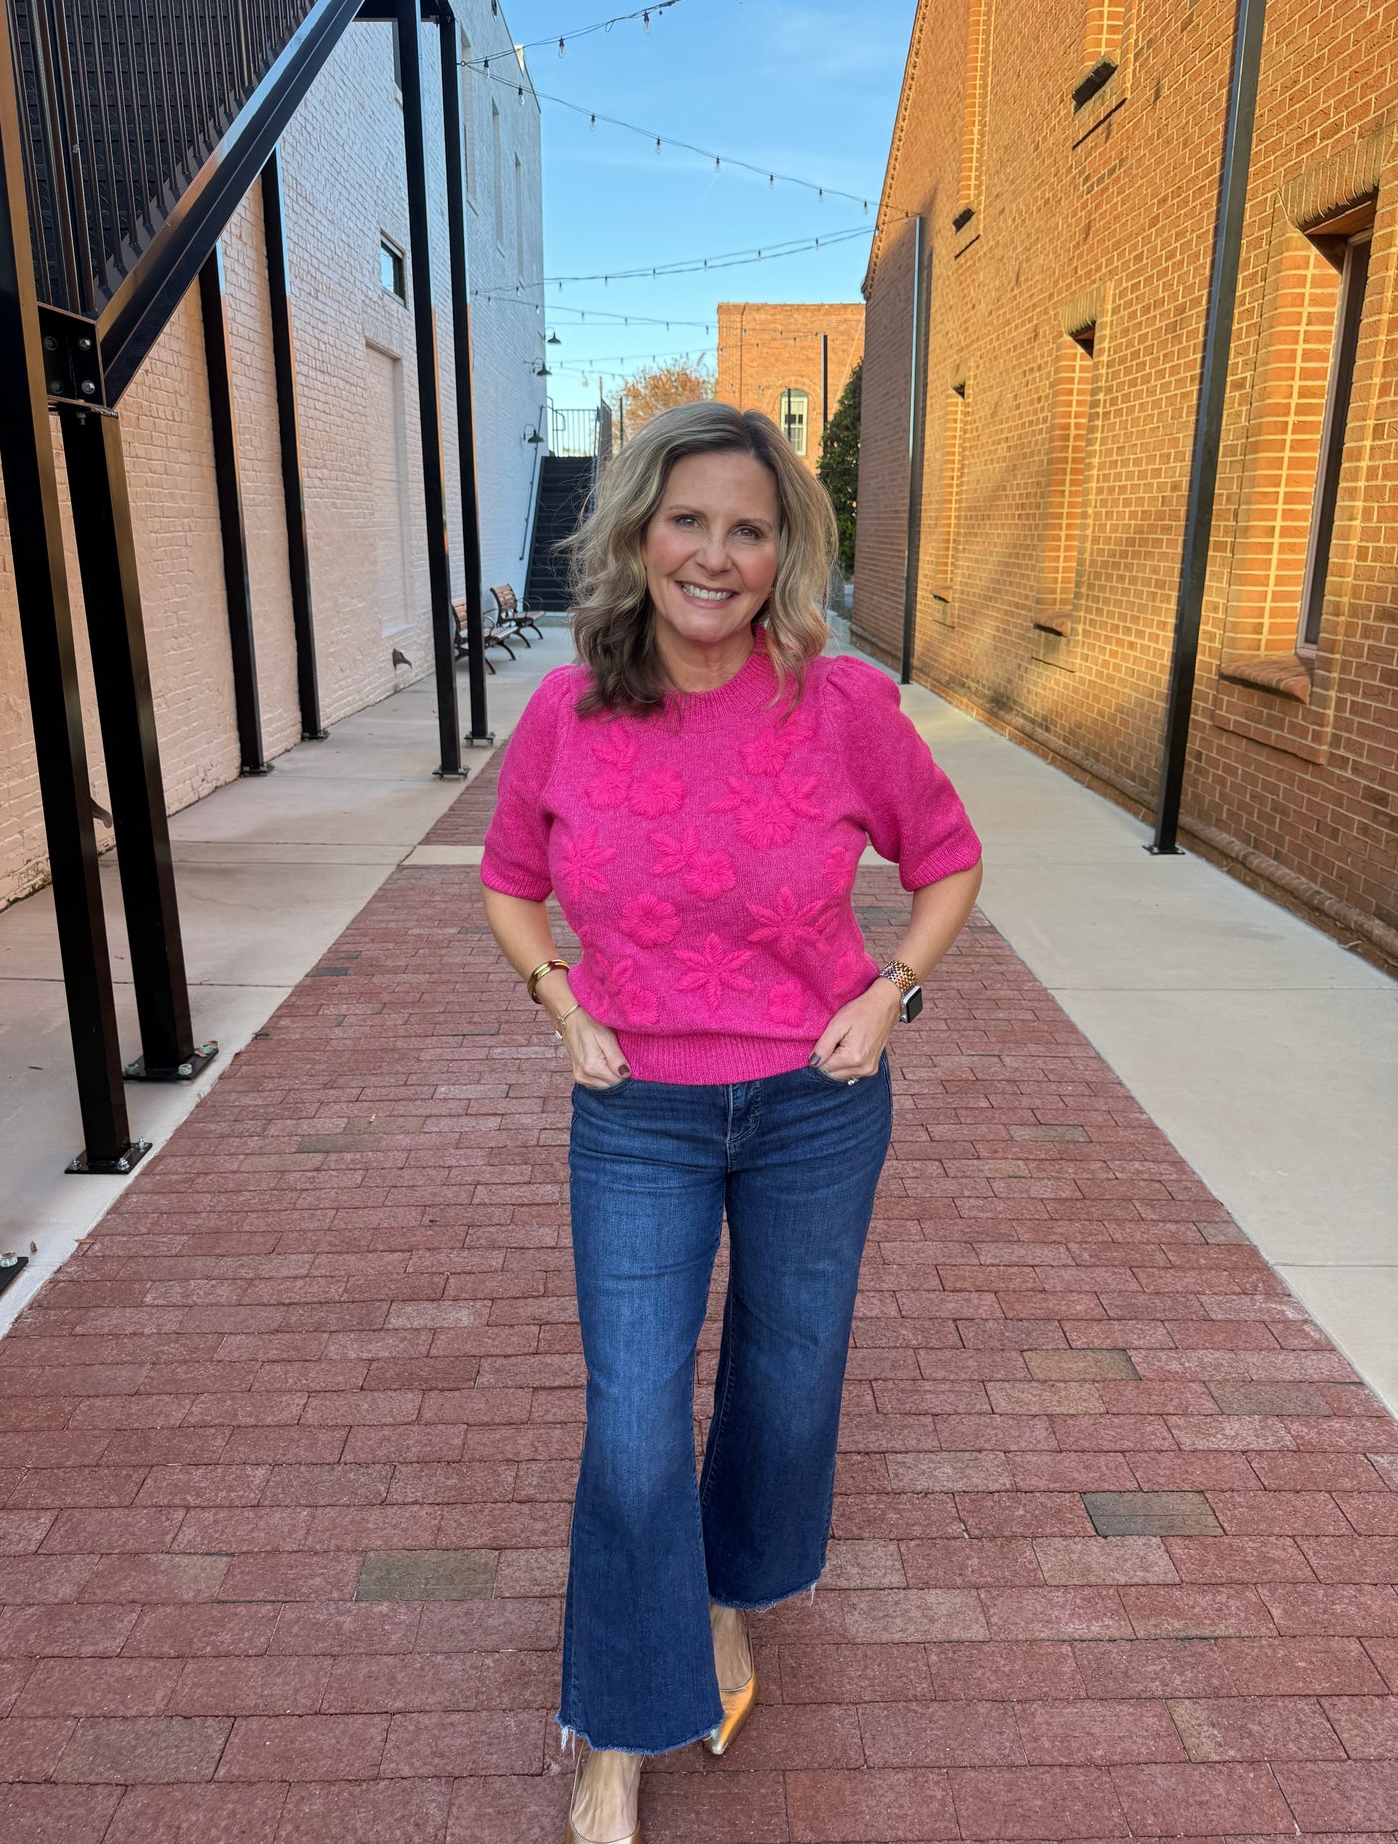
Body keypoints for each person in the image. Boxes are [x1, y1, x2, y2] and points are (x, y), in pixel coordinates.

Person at [481, 402, 982, 1844]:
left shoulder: (844, 711)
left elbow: (946, 865)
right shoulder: (568, 714)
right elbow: (511, 881)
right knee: (634, 1425)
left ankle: (720, 1603)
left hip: (816, 1106)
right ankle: (619, 1731)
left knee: (786, 1382)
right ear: (640, 531)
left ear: (783, 553)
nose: (715, 553)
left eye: (748, 528)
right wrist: (557, 1001)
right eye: (687, 520)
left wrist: (893, 991)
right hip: (636, 1110)